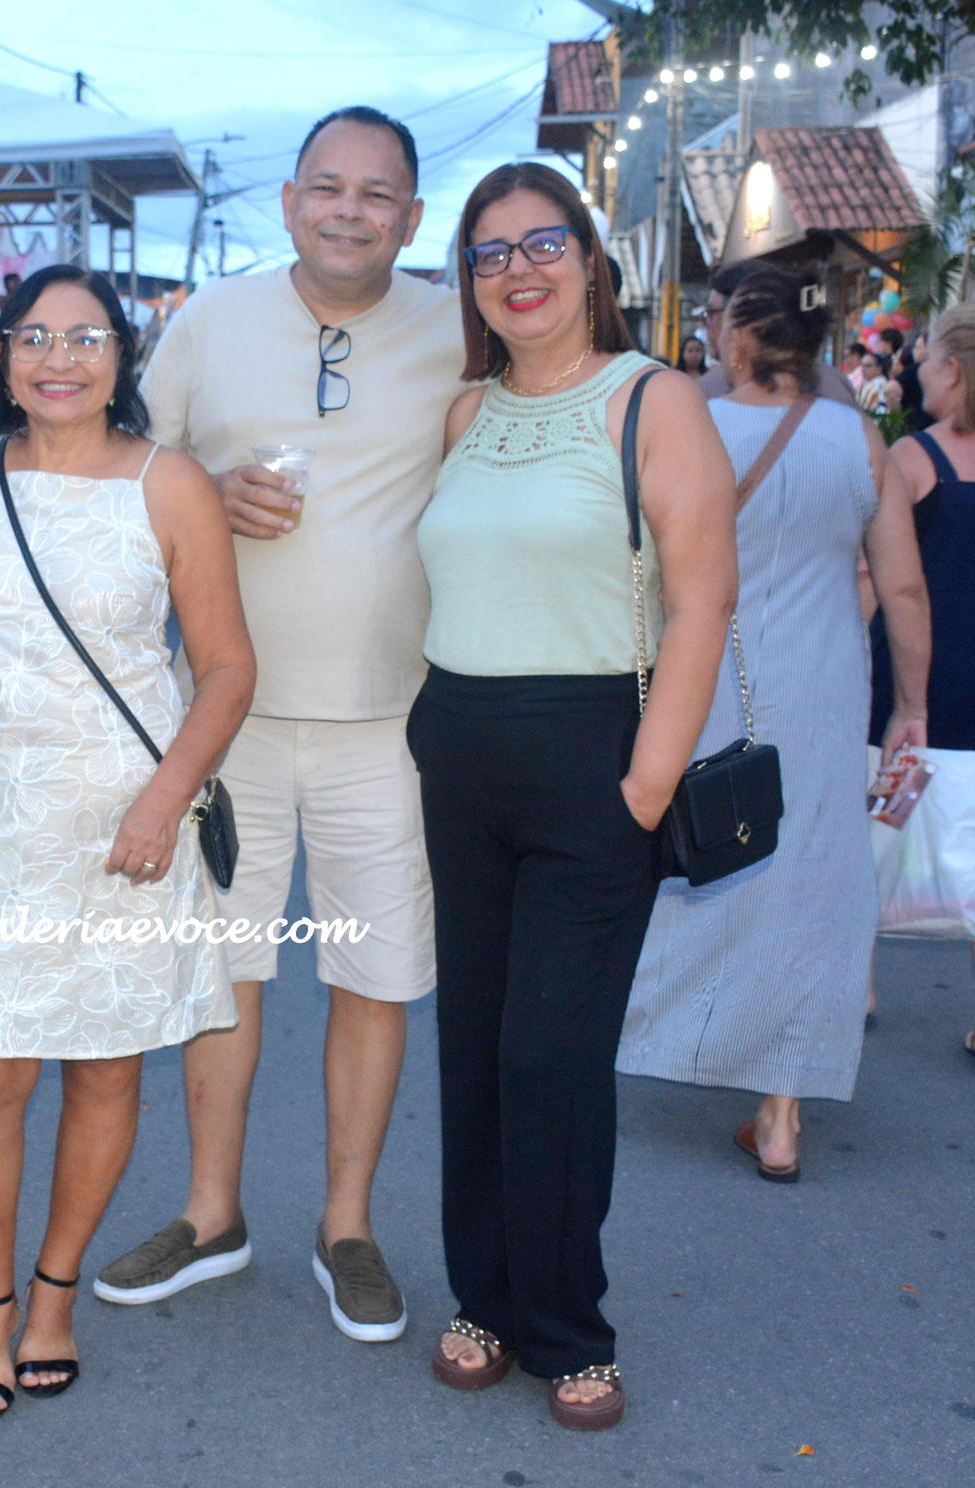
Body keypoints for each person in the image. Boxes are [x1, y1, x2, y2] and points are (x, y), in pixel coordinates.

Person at [93, 106, 464, 1345]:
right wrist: (205, 492)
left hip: (395, 717)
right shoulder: (210, 319)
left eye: (376, 193)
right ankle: (211, 1214)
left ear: (411, 218)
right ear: (291, 200)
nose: (349, 209)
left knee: (374, 974)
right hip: (226, 715)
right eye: (327, 187)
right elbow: (125, 473)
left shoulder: (457, 332)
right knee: (224, 968)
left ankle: (347, 1227)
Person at [410, 161, 737, 1429]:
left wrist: (644, 785)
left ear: (590, 261)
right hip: (462, 754)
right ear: (471, 283)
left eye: (542, 244)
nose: (518, 271)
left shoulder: (652, 400)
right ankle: (485, 1300)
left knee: (550, 1054)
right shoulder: (464, 414)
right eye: (489, 254)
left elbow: (700, 601)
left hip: (595, 760)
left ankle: (568, 1327)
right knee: (476, 1044)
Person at [0, 264, 254, 1421]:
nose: (60, 359)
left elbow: (227, 667)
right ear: (2, 357)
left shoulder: (170, 483)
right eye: (36, 337)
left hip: (126, 827)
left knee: (104, 1068)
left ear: (121, 356)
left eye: (86, 337)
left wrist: (162, 801)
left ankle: (53, 1300)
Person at [621, 267, 930, 1182]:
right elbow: (902, 586)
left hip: (703, 676)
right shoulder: (858, 437)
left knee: (696, 857)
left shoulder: (693, 426)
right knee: (814, 877)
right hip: (826, 685)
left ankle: (657, 1033)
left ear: (744, 337)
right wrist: (911, 705)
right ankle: (782, 1112)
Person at [869, 302, 975, 1054]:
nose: (919, 371)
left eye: (929, 357)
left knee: (880, 824)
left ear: (955, 370)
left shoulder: (912, 458)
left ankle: (861, 978)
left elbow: (876, 573)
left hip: (918, 678)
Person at [698, 266, 855, 405]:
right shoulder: (837, 385)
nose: (707, 324)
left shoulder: (703, 396)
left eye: (711, 313)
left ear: (742, 326)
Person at [857, 351, 898, 415]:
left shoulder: (879, 384)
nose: (863, 369)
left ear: (879, 369)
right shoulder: (869, 383)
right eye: (862, 365)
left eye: (868, 366)